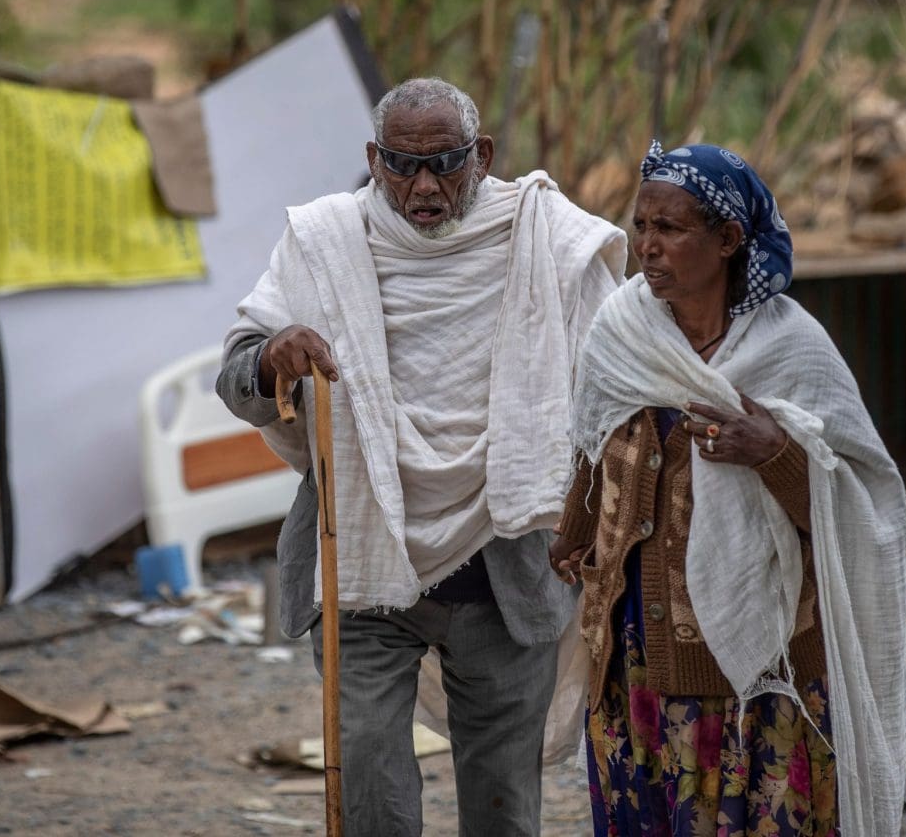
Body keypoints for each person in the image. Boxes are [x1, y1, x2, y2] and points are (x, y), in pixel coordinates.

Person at [217, 77, 627, 836]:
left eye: (447, 163)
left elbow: (618, 375)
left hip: (505, 569)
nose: (426, 186)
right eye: (404, 166)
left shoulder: (543, 235)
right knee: (369, 787)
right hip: (363, 566)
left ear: (485, 156)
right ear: (374, 160)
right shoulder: (326, 241)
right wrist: (277, 356)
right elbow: (238, 373)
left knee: (503, 800)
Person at [549, 142, 906, 837]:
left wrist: (773, 451)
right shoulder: (622, 329)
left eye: (671, 229)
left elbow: (864, 513)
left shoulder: (792, 349)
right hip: (633, 657)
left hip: (755, 672)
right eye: (642, 226)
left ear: (728, 240)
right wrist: (575, 527)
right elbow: (592, 437)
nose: (648, 247)